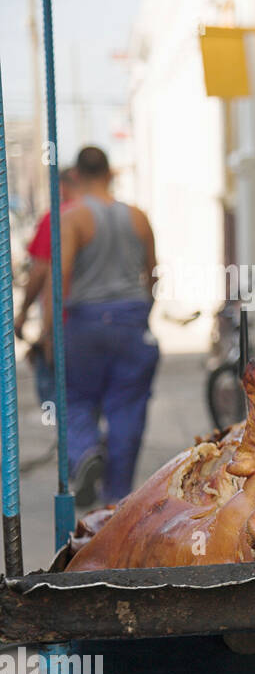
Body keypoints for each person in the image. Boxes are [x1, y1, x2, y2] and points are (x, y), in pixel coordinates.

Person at [47, 146, 160, 508]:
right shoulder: (139, 217)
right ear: (110, 173)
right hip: (131, 321)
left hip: (86, 322)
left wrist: (50, 332)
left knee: (75, 398)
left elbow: (59, 276)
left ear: (76, 176)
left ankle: (85, 454)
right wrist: (144, 313)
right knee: (127, 407)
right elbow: (152, 272)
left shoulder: (73, 219)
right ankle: (117, 499)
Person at [18, 168, 79, 411]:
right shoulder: (111, 215)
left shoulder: (55, 218)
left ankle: (80, 445)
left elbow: (40, 270)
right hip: (110, 324)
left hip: (64, 323)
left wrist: (23, 313)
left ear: (61, 187)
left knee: (61, 399)